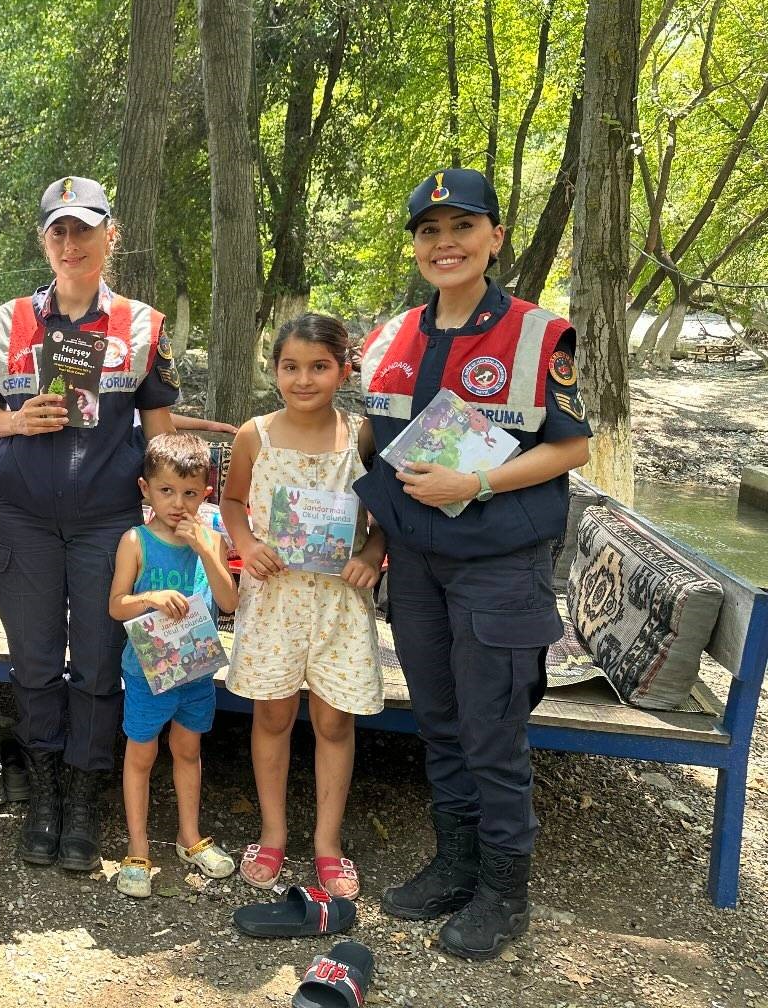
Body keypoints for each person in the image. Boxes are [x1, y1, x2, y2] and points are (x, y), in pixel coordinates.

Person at [354, 168, 592, 960]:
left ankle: (503, 892)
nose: (444, 243)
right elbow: (374, 447)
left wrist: (477, 481)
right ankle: (454, 863)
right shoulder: (390, 337)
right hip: (416, 565)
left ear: (494, 237)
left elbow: (574, 445)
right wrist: (372, 536)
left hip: (499, 564)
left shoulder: (536, 335)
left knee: (493, 731)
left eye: (461, 227)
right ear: (416, 247)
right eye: (429, 231)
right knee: (441, 722)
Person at [0, 176, 179, 871]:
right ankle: (46, 795)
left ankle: (85, 798)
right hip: (26, 521)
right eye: (58, 230)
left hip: (106, 525)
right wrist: (15, 419)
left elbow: (159, 430)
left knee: (96, 664)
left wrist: (172, 517)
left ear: (109, 236)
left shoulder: (143, 326)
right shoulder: (5, 322)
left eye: (84, 229)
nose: (71, 242)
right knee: (32, 662)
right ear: (43, 240)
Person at [220, 313, 387, 899]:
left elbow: (386, 511)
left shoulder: (362, 436)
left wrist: (372, 552)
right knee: (271, 715)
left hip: (340, 605)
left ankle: (327, 842)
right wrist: (245, 544)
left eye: (319, 367)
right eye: (291, 367)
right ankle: (272, 832)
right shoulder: (254, 434)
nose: (304, 379)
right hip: (274, 601)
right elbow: (233, 500)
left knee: (334, 721)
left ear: (344, 370)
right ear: (275, 371)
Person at [108, 433, 240, 898]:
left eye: (189, 493)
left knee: (188, 751)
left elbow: (228, 602)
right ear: (146, 488)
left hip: (196, 671)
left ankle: (190, 837)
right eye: (166, 491)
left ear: (206, 493)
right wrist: (149, 597)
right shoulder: (135, 540)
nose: (177, 503)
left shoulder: (213, 540)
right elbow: (117, 606)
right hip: (147, 672)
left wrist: (207, 549)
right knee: (141, 754)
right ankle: (138, 848)